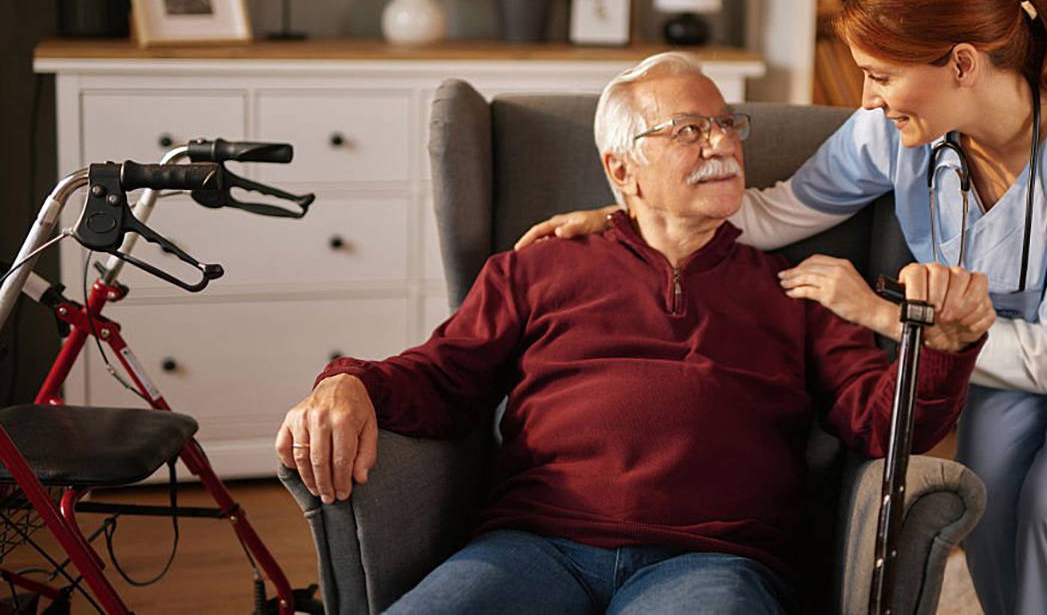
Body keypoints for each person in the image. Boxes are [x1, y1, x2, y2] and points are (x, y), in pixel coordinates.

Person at [517, 0, 1047, 615]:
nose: (867, 98)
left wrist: (881, 313)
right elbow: (770, 214)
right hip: (1009, 341)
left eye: (880, 74)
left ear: (961, 63)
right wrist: (627, 209)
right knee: (990, 488)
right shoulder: (893, 129)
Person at [277, 51, 994, 614]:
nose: (721, 143)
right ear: (622, 168)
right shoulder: (536, 268)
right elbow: (442, 376)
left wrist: (945, 350)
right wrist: (350, 381)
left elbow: (883, 422)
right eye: (689, 129)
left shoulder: (797, 287)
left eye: (726, 125)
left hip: (714, 560)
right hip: (533, 545)